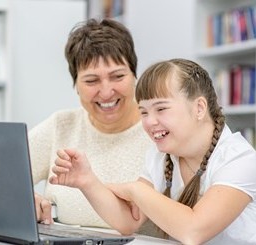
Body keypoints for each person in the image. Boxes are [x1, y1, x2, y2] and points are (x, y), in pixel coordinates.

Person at [50, 58, 256, 245]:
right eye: (144, 112)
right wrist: (87, 181)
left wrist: (136, 191)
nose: (149, 122)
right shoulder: (161, 156)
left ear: (199, 108)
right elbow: (129, 221)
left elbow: (194, 231)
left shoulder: (239, 159)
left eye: (161, 109)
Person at [29, 18, 156, 235]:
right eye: (91, 81)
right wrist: (23, 199)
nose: (106, 92)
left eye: (117, 76)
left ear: (135, 75)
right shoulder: (60, 126)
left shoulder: (159, 130)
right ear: (75, 85)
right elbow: (0, 179)